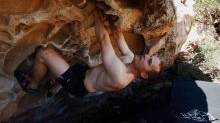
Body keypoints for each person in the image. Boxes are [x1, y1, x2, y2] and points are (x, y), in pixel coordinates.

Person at [15, 9, 163, 97]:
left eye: (149, 61)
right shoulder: (131, 58)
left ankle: (32, 86)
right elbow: (118, 37)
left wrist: (96, 12)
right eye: (151, 56)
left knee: (43, 53)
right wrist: (111, 17)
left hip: (78, 84)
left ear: (143, 74)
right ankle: (53, 86)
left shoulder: (121, 76)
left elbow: (104, 39)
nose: (147, 56)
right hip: (85, 72)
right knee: (61, 69)